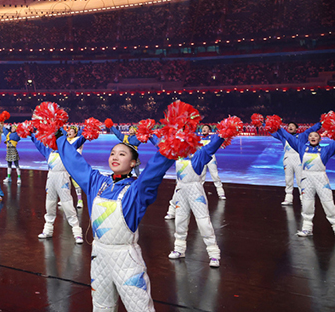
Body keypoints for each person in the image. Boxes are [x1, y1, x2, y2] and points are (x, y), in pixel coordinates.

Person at [56, 127, 175, 311]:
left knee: (140, 308)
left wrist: (172, 145)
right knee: (101, 306)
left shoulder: (137, 190)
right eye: (112, 153)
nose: (115, 157)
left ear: (133, 163)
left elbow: (154, 171)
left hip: (126, 259)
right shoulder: (97, 182)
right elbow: (75, 162)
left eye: (122, 154)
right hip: (98, 257)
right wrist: (58, 136)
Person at [165, 130, 227, 267]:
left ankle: (214, 254)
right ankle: (179, 249)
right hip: (181, 190)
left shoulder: (199, 154)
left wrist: (222, 135)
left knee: (203, 222)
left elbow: (212, 146)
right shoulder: (178, 155)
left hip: (195, 191)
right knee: (180, 221)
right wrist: (150, 135)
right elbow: (162, 145)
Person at [273, 120, 335, 237]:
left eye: (315, 136)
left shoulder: (326, 150)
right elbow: (288, 137)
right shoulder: (301, 147)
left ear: (320, 139)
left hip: (321, 178)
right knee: (307, 203)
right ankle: (307, 228)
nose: (312, 137)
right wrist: (277, 127)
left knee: (328, 203)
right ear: (308, 138)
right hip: (306, 178)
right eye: (310, 136)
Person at [30, 126, 84, 243]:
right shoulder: (48, 151)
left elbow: (79, 141)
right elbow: (37, 143)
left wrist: (87, 133)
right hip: (51, 178)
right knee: (49, 205)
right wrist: (30, 134)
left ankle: (77, 232)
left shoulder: (66, 149)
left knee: (68, 205)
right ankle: (48, 230)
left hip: (62, 178)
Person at [277, 121, 319, 206]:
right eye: (289, 126)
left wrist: (322, 122)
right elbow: (273, 131)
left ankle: (304, 199)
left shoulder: (302, 136)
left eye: (292, 126)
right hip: (287, 159)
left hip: (298, 159)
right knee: (288, 179)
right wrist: (265, 124)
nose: (290, 127)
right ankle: (288, 198)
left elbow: (312, 129)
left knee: (301, 179)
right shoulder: (284, 137)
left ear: (296, 128)